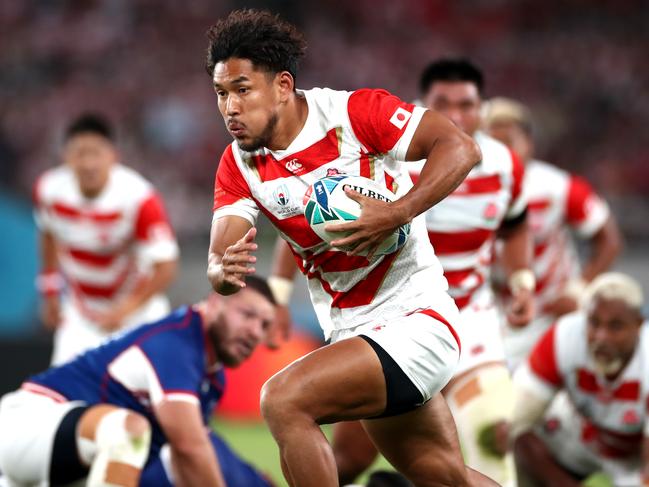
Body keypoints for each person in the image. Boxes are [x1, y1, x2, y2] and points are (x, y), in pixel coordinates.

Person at [205, 9, 497, 487]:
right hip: (352, 333)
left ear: (282, 85)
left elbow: (461, 146)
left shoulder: (354, 114)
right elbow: (223, 251)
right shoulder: (239, 164)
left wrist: (398, 211)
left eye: (242, 89)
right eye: (221, 93)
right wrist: (222, 272)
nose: (230, 107)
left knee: (283, 399)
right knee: (446, 478)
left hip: (417, 319)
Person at [333, 59, 534, 487]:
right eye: (444, 104)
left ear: (484, 108)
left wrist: (521, 281)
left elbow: (515, 225)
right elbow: (322, 219)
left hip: (471, 317)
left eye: (468, 104)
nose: (458, 115)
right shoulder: (387, 163)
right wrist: (277, 291)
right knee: (351, 458)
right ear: (422, 106)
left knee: (489, 429)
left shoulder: (505, 165)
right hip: (401, 318)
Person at [0, 275, 276, 487]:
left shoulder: (212, 376)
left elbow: (193, 460)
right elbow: (189, 447)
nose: (255, 332)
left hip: (71, 460)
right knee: (128, 431)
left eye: (264, 325)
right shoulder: (179, 342)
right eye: (248, 315)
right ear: (215, 302)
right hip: (26, 425)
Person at [483, 97, 622, 370]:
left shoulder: (558, 187)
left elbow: (609, 239)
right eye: (491, 142)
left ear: (529, 144)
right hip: (495, 315)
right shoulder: (468, 190)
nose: (500, 151)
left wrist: (579, 289)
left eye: (509, 141)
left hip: (553, 313)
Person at [33, 113, 179, 365]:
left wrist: (125, 309)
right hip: (82, 313)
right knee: (65, 393)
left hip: (137, 312)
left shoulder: (139, 198)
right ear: (66, 156)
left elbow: (166, 266)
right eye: (80, 153)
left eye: (96, 153)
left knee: (145, 390)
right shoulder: (49, 190)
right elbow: (48, 235)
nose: (89, 163)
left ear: (113, 155)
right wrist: (50, 291)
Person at [509, 273, 648, 487]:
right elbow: (514, 421)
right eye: (594, 323)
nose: (602, 337)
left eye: (616, 326)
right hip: (576, 437)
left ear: (638, 325)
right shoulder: (564, 336)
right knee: (516, 438)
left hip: (632, 460)